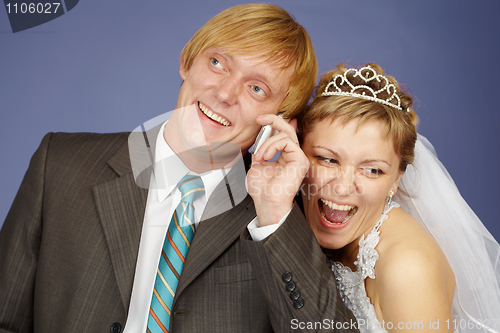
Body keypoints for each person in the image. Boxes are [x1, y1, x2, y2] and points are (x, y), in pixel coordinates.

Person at [0, 4, 359, 333]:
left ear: (280, 121)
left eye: (256, 88)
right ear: (187, 60)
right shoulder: (60, 163)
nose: (224, 93)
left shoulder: (290, 211)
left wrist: (275, 216)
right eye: (217, 63)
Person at [248, 63, 500, 332]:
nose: (343, 187)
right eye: (327, 159)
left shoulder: (408, 267)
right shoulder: (285, 212)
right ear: (297, 153)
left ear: (395, 181)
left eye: (372, 170)